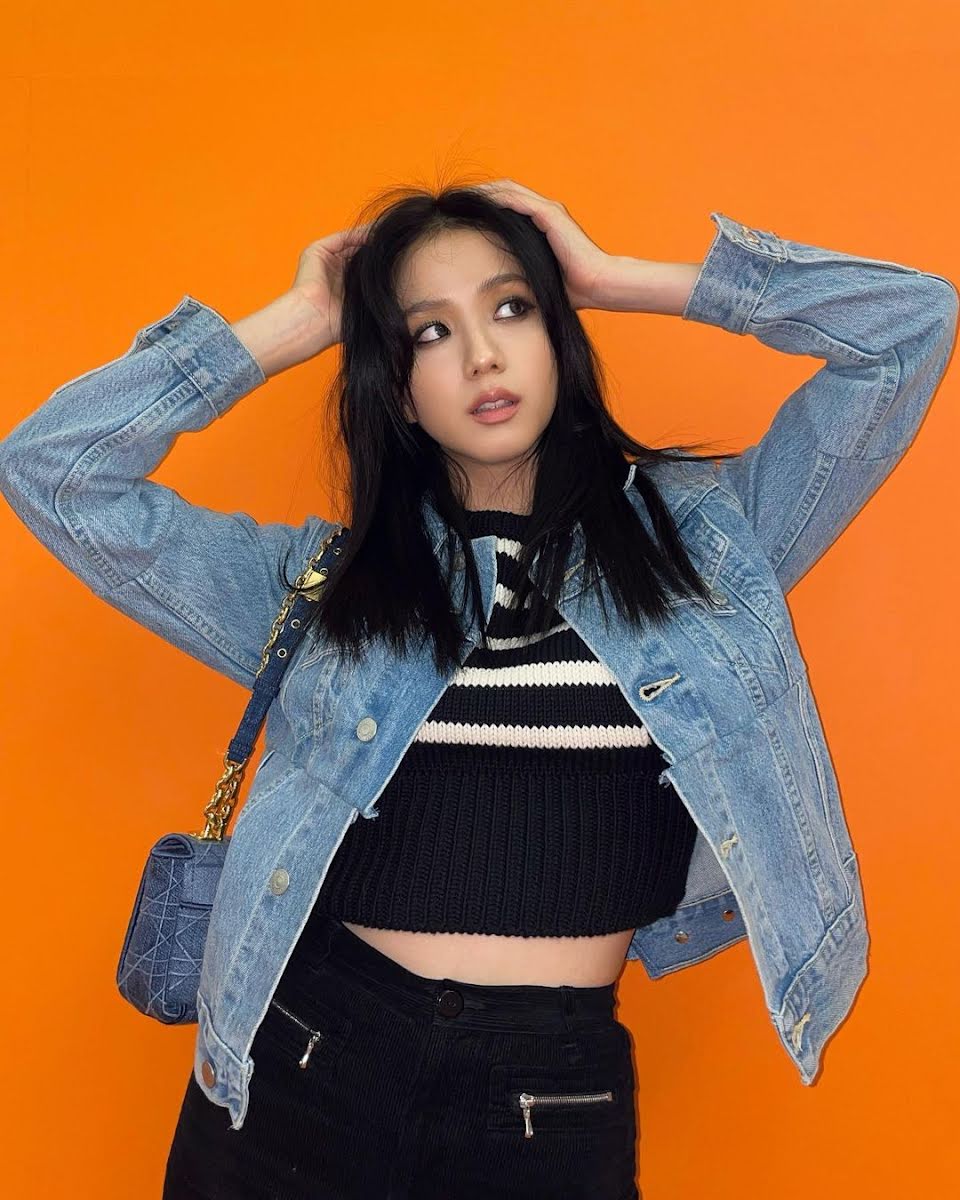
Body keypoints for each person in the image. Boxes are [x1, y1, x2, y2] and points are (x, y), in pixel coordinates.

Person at [0, 178, 956, 1200]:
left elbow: (908, 329)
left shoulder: (705, 553)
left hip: (551, 1095)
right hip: (306, 1061)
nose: (482, 356)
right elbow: (53, 470)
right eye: (429, 332)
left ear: (559, 333)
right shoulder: (325, 585)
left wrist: (613, 278)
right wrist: (301, 320)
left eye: (512, 307)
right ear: (395, 383)